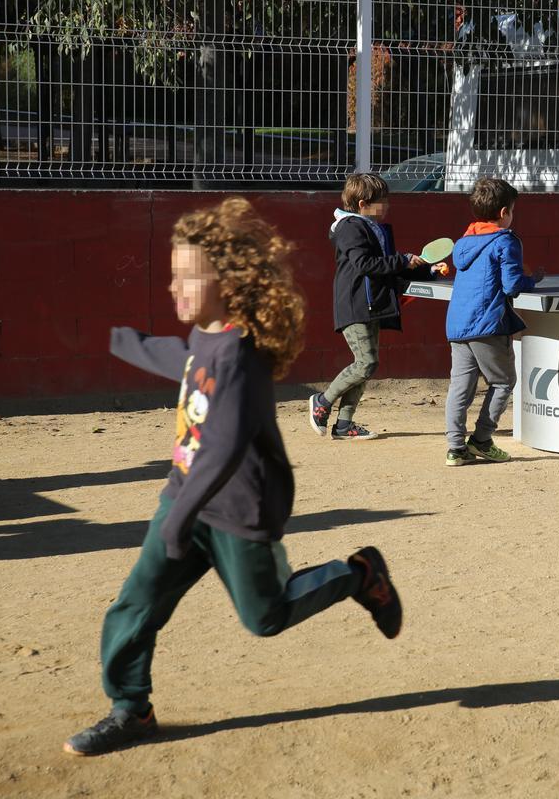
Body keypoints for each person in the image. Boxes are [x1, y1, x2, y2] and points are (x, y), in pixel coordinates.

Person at [64, 198, 403, 757]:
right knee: (135, 604)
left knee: (265, 616)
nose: (173, 288)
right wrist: (121, 340)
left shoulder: (243, 358)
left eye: (185, 278)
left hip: (238, 509)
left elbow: (221, 449)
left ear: (228, 281)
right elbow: (186, 361)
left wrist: (180, 515)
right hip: (186, 500)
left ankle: (358, 574)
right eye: (172, 276)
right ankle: (131, 708)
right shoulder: (207, 335)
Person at [308, 173, 445, 441]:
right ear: (362, 203)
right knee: (366, 363)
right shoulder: (350, 227)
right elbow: (365, 265)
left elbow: (388, 269)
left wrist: (427, 271)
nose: (387, 206)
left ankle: (344, 425)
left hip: (372, 305)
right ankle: (322, 401)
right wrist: (403, 261)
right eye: (382, 201)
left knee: (368, 364)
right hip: (356, 304)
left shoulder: (372, 229)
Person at [443, 177, 542, 466]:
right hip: (488, 324)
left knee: (460, 387)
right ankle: (482, 440)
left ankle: (455, 448)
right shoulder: (505, 241)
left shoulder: (463, 241)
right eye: (512, 210)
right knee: (503, 381)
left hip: (458, 324)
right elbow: (512, 285)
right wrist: (532, 280)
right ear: (504, 213)